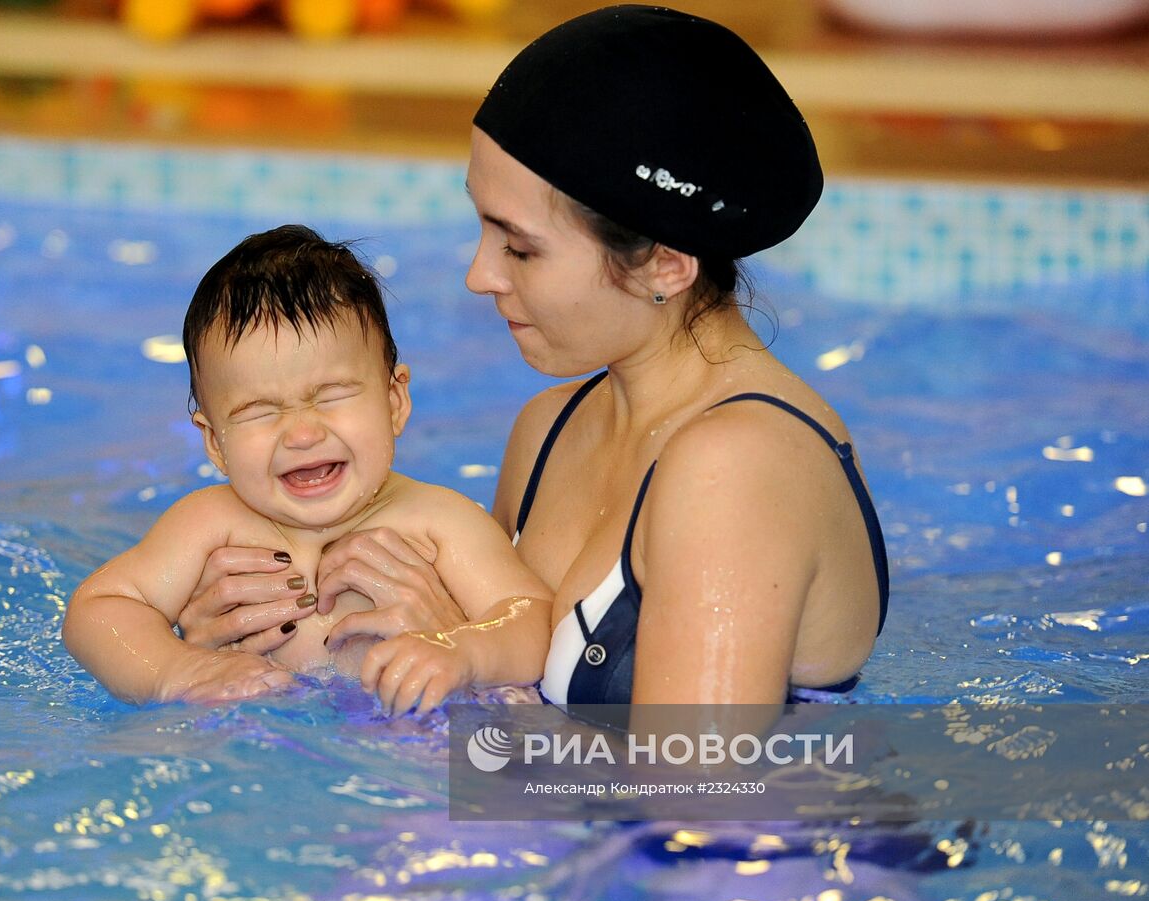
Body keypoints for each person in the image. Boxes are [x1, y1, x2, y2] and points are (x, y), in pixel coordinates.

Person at [185, 6, 889, 715]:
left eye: (519, 247)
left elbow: (694, 803)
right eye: (482, 227)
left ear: (666, 264)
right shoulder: (548, 430)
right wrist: (242, 631)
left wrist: (453, 643)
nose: (480, 274)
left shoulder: (737, 470)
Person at [63, 225, 552, 705]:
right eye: (259, 411)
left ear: (394, 401)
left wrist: (464, 651)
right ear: (215, 443)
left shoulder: (441, 522)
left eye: (333, 395)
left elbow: (529, 615)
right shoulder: (207, 524)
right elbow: (99, 610)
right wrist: (179, 670)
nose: (302, 433)